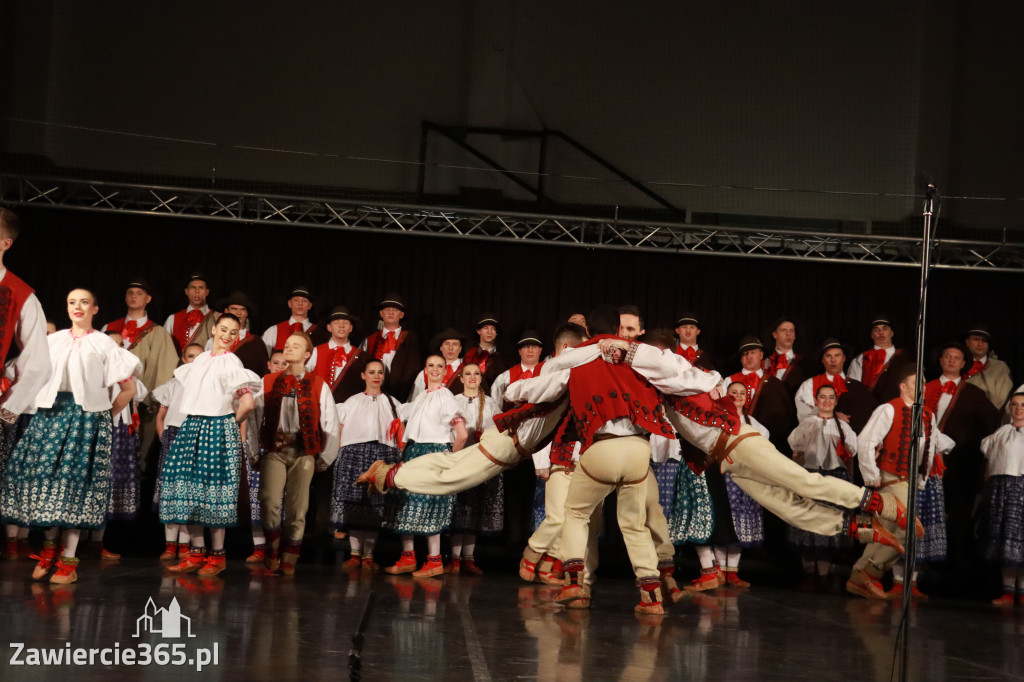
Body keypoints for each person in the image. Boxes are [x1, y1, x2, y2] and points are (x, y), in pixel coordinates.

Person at [0, 288, 140, 584]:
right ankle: (49, 549)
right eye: (72, 302)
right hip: (50, 415)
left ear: (95, 309)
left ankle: (69, 560)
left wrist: (103, 415)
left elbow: (128, 390)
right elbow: (26, 375)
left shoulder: (104, 344)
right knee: (45, 481)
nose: (78, 307)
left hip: (86, 418)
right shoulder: (52, 341)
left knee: (75, 485)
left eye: (84, 302)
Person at [160, 313, 262, 577]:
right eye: (223, 330)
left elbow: (248, 402)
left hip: (217, 427)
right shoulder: (202, 359)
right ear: (214, 329)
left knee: (214, 491)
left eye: (233, 332)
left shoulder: (232, 361)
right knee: (189, 488)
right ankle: (196, 552)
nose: (227, 336)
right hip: (192, 425)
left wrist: (230, 421)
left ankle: (217, 556)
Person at [848, 366, 941, 599]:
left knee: (884, 529)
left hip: (908, 479)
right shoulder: (889, 409)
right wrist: (871, 475)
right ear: (903, 386)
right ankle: (872, 572)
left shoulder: (928, 414)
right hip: (890, 477)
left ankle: (858, 576)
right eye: (916, 383)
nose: (921, 388)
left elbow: (926, 450)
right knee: (909, 529)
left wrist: (922, 478)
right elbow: (865, 441)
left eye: (923, 384)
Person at [256, 332, 339, 575]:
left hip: (303, 451)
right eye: (287, 345)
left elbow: (330, 422)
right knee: (269, 499)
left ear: (307, 354)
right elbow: (254, 419)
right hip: (275, 448)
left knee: (297, 507)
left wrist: (325, 457)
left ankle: (291, 552)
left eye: (296, 346)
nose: (289, 348)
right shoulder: (268, 381)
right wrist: (252, 451)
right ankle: (272, 543)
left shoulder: (318, 384)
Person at [384, 354, 467, 578]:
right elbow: (402, 416)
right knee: (405, 503)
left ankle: (434, 561)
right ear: (424, 370)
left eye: (440, 366)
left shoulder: (446, 397)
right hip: (414, 452)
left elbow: (462, 433)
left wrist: (451, 460)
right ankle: (408, 557)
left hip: (434, 452)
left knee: (432, 505)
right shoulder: (421, 396)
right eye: (430, 365)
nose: (435, 370)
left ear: (446, 371)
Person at [921, 342, 999, 583]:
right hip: (928, 460)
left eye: (957, 358)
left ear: (964, 363)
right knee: (929, 509)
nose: (952, 361)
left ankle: (957, 558)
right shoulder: (925, 388)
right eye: (948, 356)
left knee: (958, 510)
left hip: (961, 462)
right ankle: (926, 558)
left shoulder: (973, 393)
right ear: (941, 360)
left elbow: (992, 424)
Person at [687, 380, 768, 592]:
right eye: (733, 392)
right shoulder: (716, 420)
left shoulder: (754, 425)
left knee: (739, 521)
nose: (737, 396)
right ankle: (719, 570)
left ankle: (732, 571)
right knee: (722, 518)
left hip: (742, 478)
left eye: (741, 393)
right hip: (720, 474)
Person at [333, 360, 403, 571]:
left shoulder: (393, 403)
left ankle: (369, 555)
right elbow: (340, 428)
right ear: (363, 375)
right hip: (353, 453)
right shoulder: (352, 401)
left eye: (380, 372)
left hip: (382, 454)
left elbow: (401, 433)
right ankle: (355, 553)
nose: (376, 376)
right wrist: (340, 455)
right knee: (354, 504)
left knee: (375, 504)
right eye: (371, 372)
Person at [102, 277, 179, 467]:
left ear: (148, 299)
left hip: (141, 403)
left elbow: (165, 367)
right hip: (108, 397)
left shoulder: (158, 332)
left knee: (136, 449)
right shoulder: (109, 327)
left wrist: (152, 399)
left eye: (139, 293)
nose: (133, 296)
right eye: (130, 293)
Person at [787, 384, 858, 590]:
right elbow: (795, 447)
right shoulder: (807, 423)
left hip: (835, 477)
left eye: (831, 398)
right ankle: (809, 572)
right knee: (807, 523)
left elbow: (852, 450)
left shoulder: (843, 426)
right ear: (816, 401)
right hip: (810, 475)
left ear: (836, 402)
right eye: (822, 397)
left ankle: (824, 574)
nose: (826, 401)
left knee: (828, 525)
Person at [449, 362, 503, 574]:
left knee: (475, 509)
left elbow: (499, 432)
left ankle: (468, 558)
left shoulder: (490, 404)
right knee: (459, 507)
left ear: (481, 378)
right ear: (461, 379)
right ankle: (453, 558)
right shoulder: (452, 402)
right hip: (459, 459)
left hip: (481, 461)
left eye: (476, 374)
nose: (472, 377)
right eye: (467, 374)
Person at [152, 342, 203, 560]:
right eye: (191, 356)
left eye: (199, 358)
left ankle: (185, 544)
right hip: (173, 435)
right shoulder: (173, 384)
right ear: (183, 358)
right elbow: (160, 417)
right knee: (171, 492)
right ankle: (170, 544)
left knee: (189, 492)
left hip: (195, 437)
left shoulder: (205, 385)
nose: (194, 361)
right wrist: (164, 437)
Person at [979, 393, 1024, 606]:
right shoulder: (1002, 433)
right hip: (1004, 489)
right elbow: (990, 456)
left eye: (1023, 405)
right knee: (1006, 538)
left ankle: (1022, 590)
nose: (1018, 408)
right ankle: (1007, 590)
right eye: (1014, 405)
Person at [724, 335, 796, 455]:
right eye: (745, 353)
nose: (749, 357)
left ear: (761, 355)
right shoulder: (729, 381)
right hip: (735, 444)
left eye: (753, 352)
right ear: (741, 358)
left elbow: (785, 419)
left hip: (769, 446)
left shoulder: (776, 384)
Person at [795, 339, 879, 432]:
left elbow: (870, 416)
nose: (833, 360)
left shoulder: (858, 387)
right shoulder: (809, 384)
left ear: (843, 358)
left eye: (837, 355)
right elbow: (804, 414)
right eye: (828, 356)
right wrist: (831, 415)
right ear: (822, 360)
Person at [361, 293, 421, 401]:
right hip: (372, 394)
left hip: (401, 394)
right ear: (381, 313)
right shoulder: (369, 340)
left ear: (401, 315)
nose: (391, 312)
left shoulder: (410, 339)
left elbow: (414, 369)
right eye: (387, 309)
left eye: (395, 309)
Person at [198, 291, 269, 376]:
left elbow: (262, 370)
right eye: (234, 309)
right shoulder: (212, 341)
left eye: (242, 309)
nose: (238, 313)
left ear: (246, 313)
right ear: (226, 311)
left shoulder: (255, 342)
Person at [847, 316, 914, 403]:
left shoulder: (905, 357)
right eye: (876, 329)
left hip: (898, 406)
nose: (881, 332)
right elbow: (854, 387)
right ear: (871, 335)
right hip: (868, 407)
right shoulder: (861, 358)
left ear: (892, 333)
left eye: (885, 328)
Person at [963, 324, 1014, 409]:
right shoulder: (959, 364)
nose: (980, 344)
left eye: (984, 341)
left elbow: (1002, 399)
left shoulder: (999, 367)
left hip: (990, 417)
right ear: (967, 342)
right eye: (976, 339)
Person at [409, 328, 463, 401]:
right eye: (447, 344)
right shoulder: (425, 373)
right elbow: (415, 400)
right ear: (441, 348)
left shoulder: (466, 371)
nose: (451, 348)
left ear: (460, 349)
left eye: (455, 344)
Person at [458, 313, 508, 392]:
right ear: (478, 331)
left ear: (496, 333)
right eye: (485, 328)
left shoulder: (505, 359)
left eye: (493, 329)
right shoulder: (468, 355)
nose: (489, 332)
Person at [164, 272, 211, 355]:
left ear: (207, 292)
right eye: (193, 288)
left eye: (201, 287)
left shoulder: (218, 317)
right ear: (186, 291)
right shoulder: (173, 319)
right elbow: (164, 348)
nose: (197, 291)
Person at [262, 286, 316, 354]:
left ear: (310, 305)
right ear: (289, 303)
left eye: (304, 301)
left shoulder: (318, 332)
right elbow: (264, 358)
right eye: (296, 300)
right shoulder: (273, 331)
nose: (300, 304)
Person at [762, 316, 809, 396]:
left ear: (795, 336)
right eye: (784, 330)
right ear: (774, 334)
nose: (788, 334)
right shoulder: (764, 363)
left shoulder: (804, 364)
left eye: (791, 331)